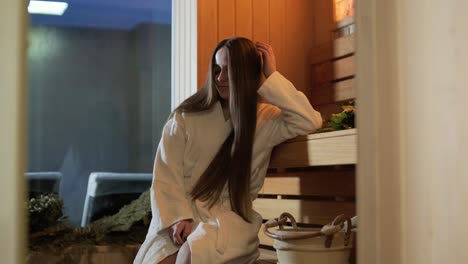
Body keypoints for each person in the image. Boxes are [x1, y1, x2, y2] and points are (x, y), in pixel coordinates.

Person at [134, 37, 322, 264]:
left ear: (246, 74)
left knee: (191, 254)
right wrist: (178, 217)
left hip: (230, 221)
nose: (220, 78)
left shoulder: (264, 119)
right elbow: (166, 175)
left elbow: (308, 120)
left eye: (229, 70)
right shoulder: (186, 116)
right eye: (216, 70)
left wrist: (271, 74)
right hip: (180, 217)